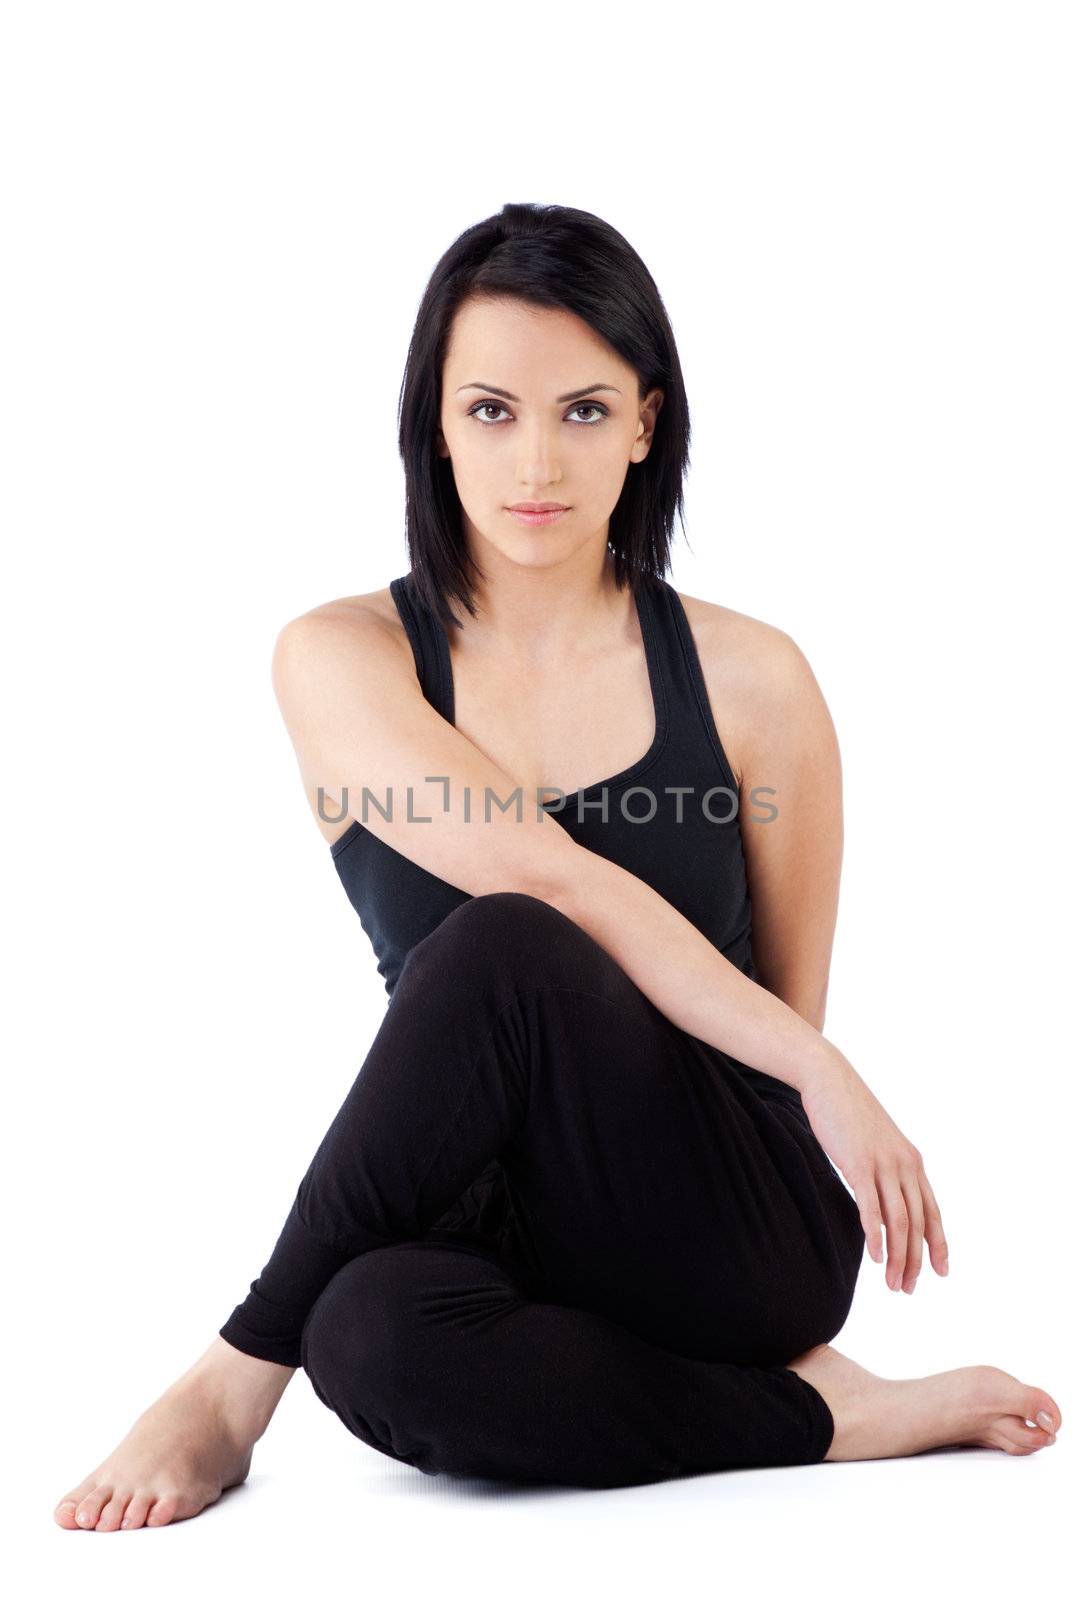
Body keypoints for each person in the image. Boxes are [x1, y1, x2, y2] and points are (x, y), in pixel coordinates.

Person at [54, 202, 1061, 1531]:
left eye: (584, 411)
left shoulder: (752, 680)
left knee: (505, 941)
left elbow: (779, 1022)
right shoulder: (340, 657)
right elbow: (560, 876)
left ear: (645, 424)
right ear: (433, 422)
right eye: (490, 411)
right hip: (498, 1229)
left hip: (728, 1224)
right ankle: (831, 1417)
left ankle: (235, 1380)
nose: (536, 459)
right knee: (368, 1333)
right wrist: (833, 1070)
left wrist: (814, 1064)